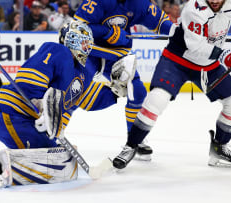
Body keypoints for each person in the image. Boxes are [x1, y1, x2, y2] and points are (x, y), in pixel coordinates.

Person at [0, 20, 139, 187]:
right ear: (71, 40)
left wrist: (116, 92)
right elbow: (31, 77)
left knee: (64, 161)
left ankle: (9, 162)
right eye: (84, 42)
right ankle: (1, 172)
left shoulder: (82, 74)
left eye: (89, 44)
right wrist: (42, 104)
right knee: (57, 164)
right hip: (13, 114)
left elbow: (90, 100)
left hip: (25, 122)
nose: (87, 48)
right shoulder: (57, 50)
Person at [112, 0, 231, 169]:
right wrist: (225, 55)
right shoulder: (194, 9)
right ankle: (131, 146)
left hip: (208, 65)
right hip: (177, 60)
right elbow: (195, 46)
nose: (213, 1)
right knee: (157, 99)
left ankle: (219, 148)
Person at [74, 0, 175, 160]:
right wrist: (107, 32)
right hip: (91, 53)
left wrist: (181, 34)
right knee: (74, 89)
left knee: (138, 92)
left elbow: (161, 23)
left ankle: (134, 139)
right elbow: (77, 29)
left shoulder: (139, 3)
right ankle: (54, 127)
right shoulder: (97, 2)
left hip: (116, 55)